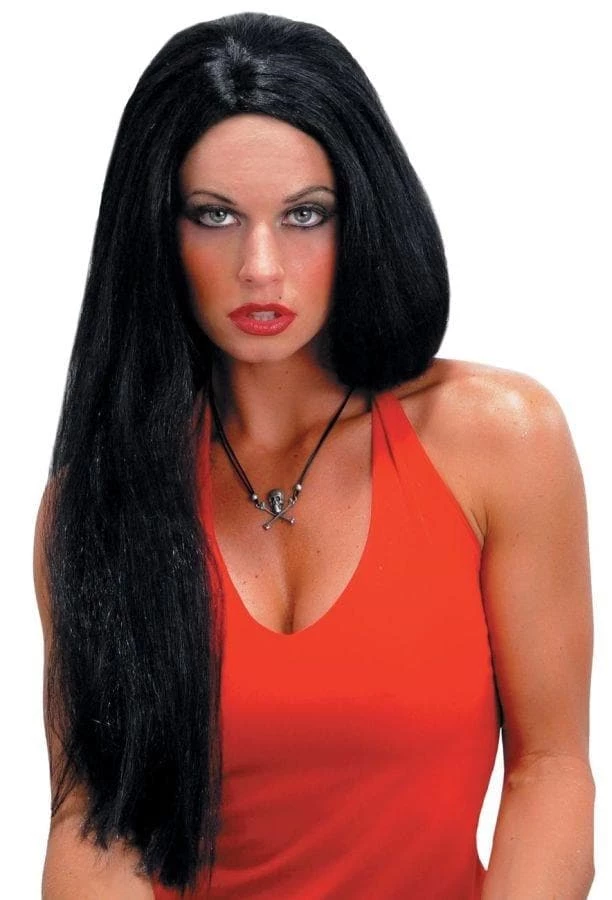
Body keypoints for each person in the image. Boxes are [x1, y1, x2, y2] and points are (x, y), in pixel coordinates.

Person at [33, 12, 595, 899]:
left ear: (361, 216)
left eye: (305, 214)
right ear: (157, 233)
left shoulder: (499, 442)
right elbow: (94, 823)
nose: (261, 267)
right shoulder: (97, 501)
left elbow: (551, 770)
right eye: (215, 215)